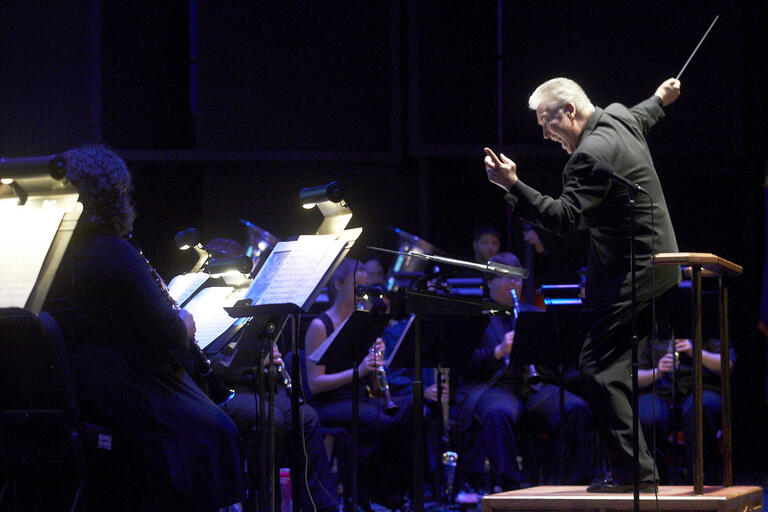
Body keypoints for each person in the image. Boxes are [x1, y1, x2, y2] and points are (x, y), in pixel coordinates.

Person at [483, 77, 682, 492]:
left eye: (546, 122)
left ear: (568, 112)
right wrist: (662, 97)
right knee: (611, 368)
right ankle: (638, 471)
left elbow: (563, 217)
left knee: (598, 370)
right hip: (662, 268)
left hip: (636, 273)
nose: (544, 133)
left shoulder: (588, 156)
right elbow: (644, 113)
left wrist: (513, 186)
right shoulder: (619, 116)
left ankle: (636, 475)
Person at [45, 145, 243, 510]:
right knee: (221, 430)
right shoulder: (113, 250)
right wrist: (183, 319)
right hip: (119, 387)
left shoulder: (48, 251)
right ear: (113, 196)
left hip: (68, 386)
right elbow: (170, 334)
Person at [453, 252, 595, 491]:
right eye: (507, 279)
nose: (514, 285)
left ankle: (575, 486)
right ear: (490, 281)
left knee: (575, 407)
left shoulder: (533, 314)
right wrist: (499, 350)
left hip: (532, 386)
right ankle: (511, 489)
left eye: (518, 280)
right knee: (498, 412)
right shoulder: (473, 315)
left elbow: (555, 358)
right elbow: (462, 362)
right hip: (494, 386)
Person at [304, 259, 414, 507]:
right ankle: (375, 492)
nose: (362, 294)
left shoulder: (363, 321)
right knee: (382, 420)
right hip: (329, 402)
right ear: (337, 285)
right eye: (356, 287)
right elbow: (315, 384)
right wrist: (359, 370)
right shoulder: (320, 325)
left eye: (364, 288)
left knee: (409, 406)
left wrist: (376, 362)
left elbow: (371, 378)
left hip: (360, 397)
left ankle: (393, 489)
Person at [638, 337, 735, 483]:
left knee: (699, 410)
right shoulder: (652, 333)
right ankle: (654, 480)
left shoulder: (708, 329)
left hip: (702, 388)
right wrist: (657, 371)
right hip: (660, 392)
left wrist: (696, 352)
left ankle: (700, 481)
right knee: (647, 415)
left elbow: (728, 365)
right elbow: (633, 376)